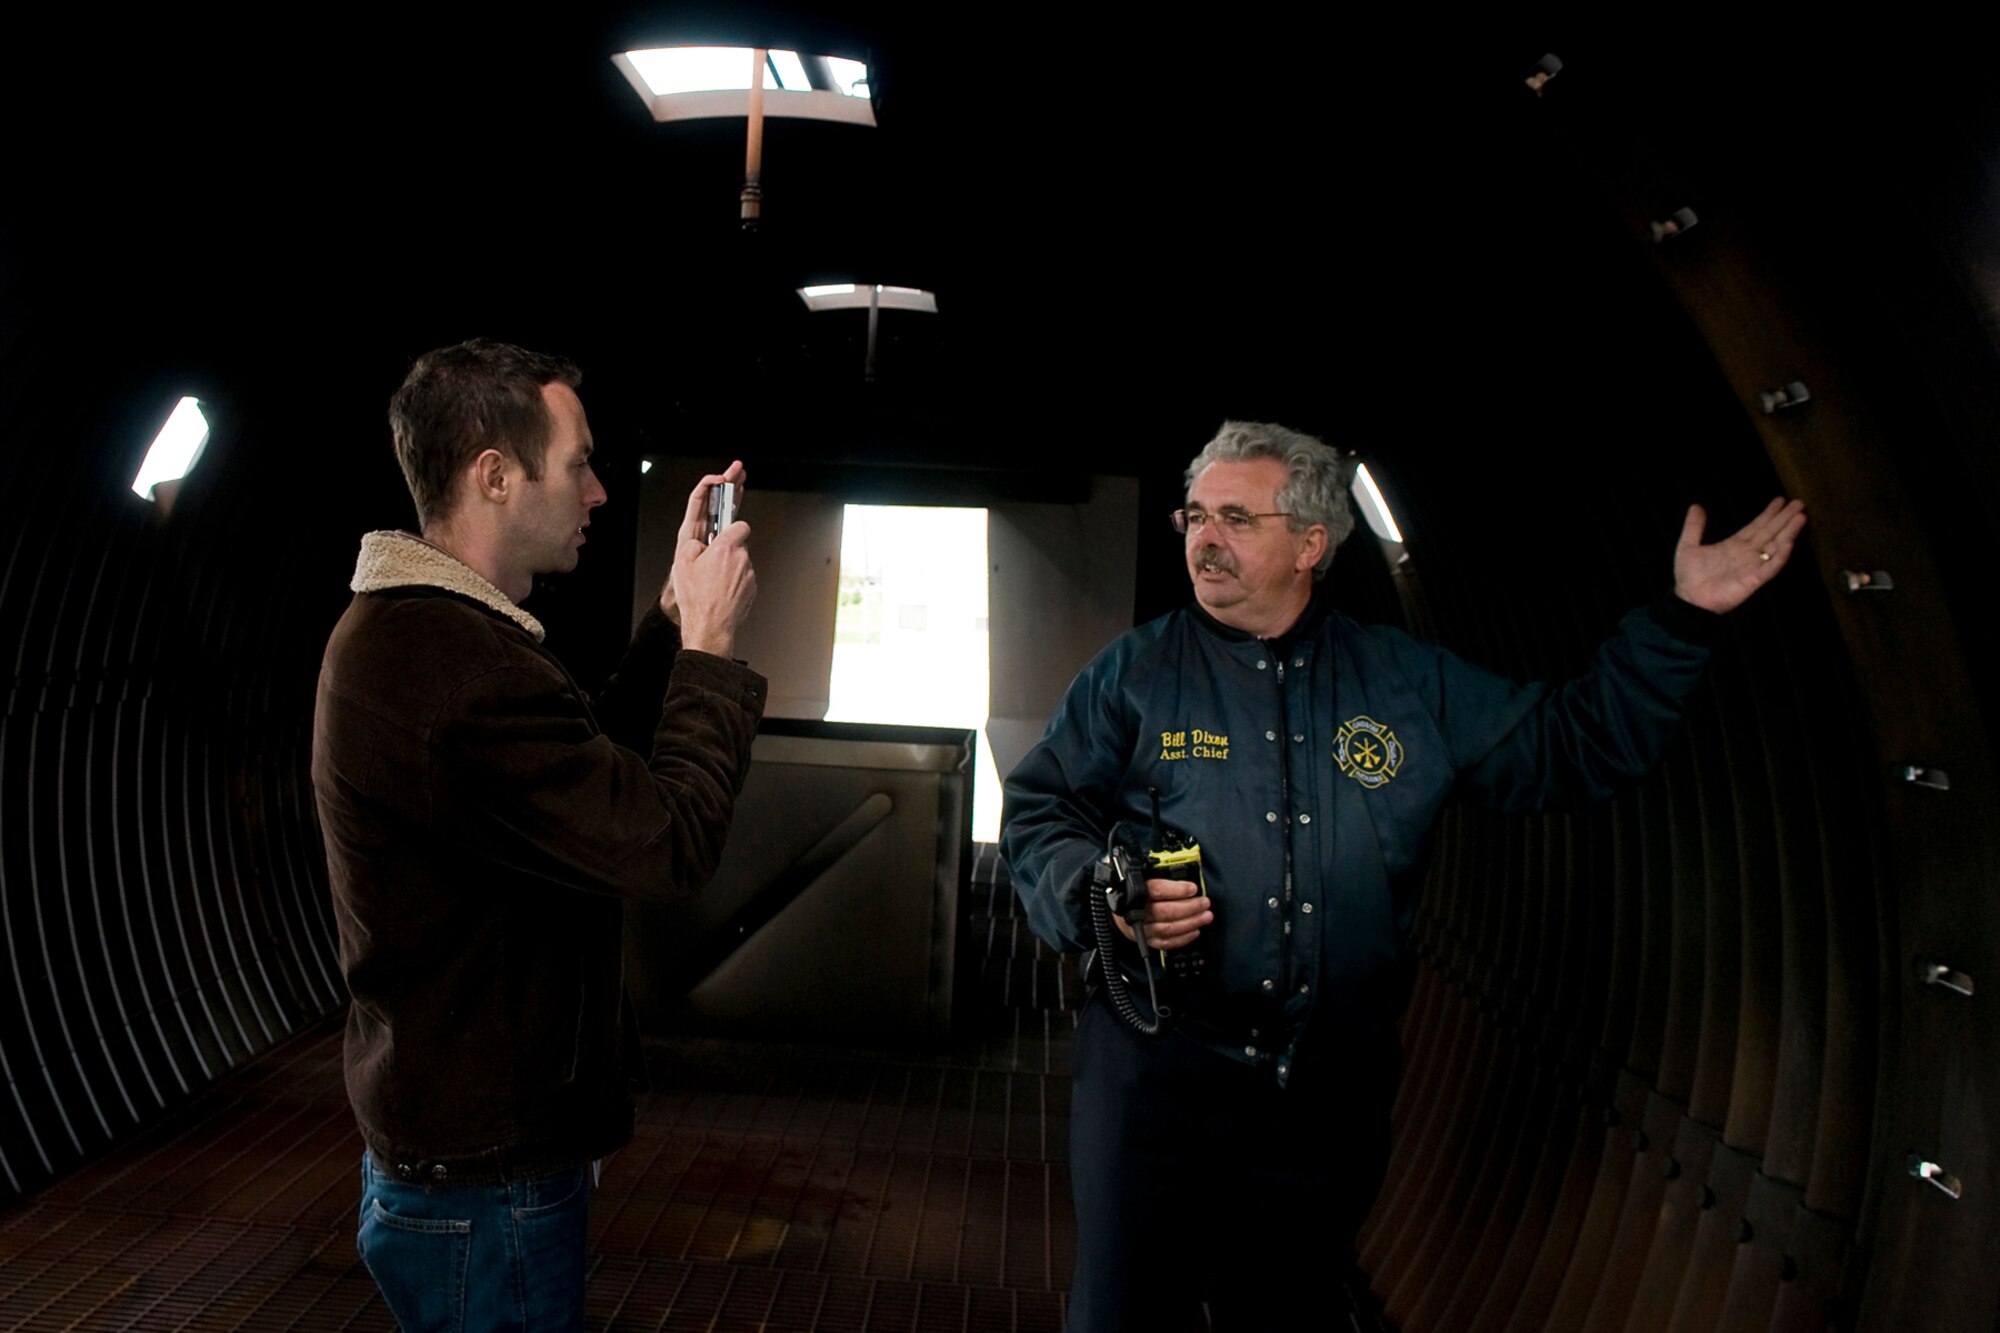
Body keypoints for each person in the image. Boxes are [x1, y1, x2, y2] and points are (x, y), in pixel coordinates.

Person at [999, 421, 1805, 1332]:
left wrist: (1684, 618)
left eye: (1235, 517)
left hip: (1322, 1095)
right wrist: (1101, 899)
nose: (1203, 538)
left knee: (1284, 1308)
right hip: (1155, 1081)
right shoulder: (1134, 675)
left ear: (1311, 544)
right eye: (1194, 515)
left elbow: (1571, 744)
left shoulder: (1404, 682)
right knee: (1123, 1311)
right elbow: (1040, 812)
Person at [311, 338, 765, 1332]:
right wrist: (710, 653)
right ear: (494, 474)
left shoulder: (425, 635)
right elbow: (663, 841)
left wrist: (661, 623)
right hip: (489, 1185)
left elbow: (576, 768)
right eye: (578, 463)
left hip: (464, 1160)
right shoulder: (452, 666)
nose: (599, 491)